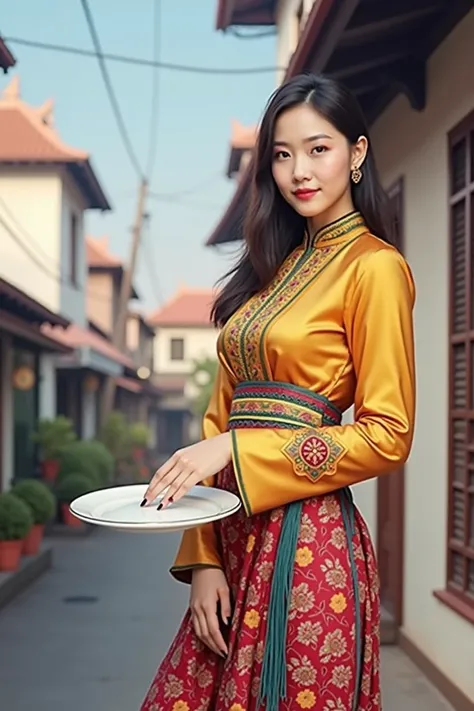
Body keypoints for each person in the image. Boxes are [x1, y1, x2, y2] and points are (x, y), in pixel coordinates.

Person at [140, 73, 416, 711]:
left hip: (309, 550)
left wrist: (239, 451)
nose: (299, 170)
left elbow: (388, 434)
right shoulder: (272, 269)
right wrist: (204, 557)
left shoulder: (375, 267)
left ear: (358, 152)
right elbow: (220, 420)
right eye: (283, 154)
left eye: (319, 148)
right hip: (232, 537)